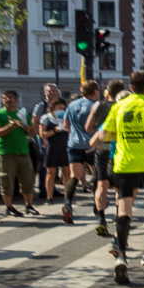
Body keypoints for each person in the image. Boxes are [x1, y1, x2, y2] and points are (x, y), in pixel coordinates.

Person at [97, 69, 144, 284]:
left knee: (124, 208)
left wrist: (119, 136)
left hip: (124, 163)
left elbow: (102, 135)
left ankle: (121, 255)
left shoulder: (120, 106)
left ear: (130, 87)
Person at [0, 90, 38, 217]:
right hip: (6, 153)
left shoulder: (22, 114)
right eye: (5, 98)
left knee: (28, 180)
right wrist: (10, 126)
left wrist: (28, 130)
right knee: (6, 181)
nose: (8, 100)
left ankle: (29, 206)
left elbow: (31, 133)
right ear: (2, 100)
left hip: (23, 151)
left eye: (11, 97)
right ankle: (9, 207)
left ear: (16, 100)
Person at [86, 79, 124, 236]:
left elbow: (88, 127)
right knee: (118, 187)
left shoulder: (97, 105)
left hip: (102, 147)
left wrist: (100, 127)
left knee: (101, 185)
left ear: (107, 91)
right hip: (119, 150)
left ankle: (101, 219)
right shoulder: (123, 107)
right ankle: (117, 215)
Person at [61, 80, 100, 225]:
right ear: (95, 91)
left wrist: (75, 134)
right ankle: (97, 205)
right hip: (92, 143)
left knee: (74, 176)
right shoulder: (95, 106)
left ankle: (68, 203)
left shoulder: (71, 105)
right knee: (98, 175)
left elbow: (66, 125)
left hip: (74, 143)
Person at [39, 99, 70, 204]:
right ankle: (49, 196)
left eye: (63, 108)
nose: (61, 110)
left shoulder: (67, 117)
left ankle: (67, 196)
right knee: (50, 172)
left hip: (65, 147)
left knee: (67, 172)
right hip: (51, 147)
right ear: (53, 107)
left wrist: (67, 128)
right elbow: (42, 134)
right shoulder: (46, 118)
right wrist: (55, 130)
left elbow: (72, 132)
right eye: (59, 108)